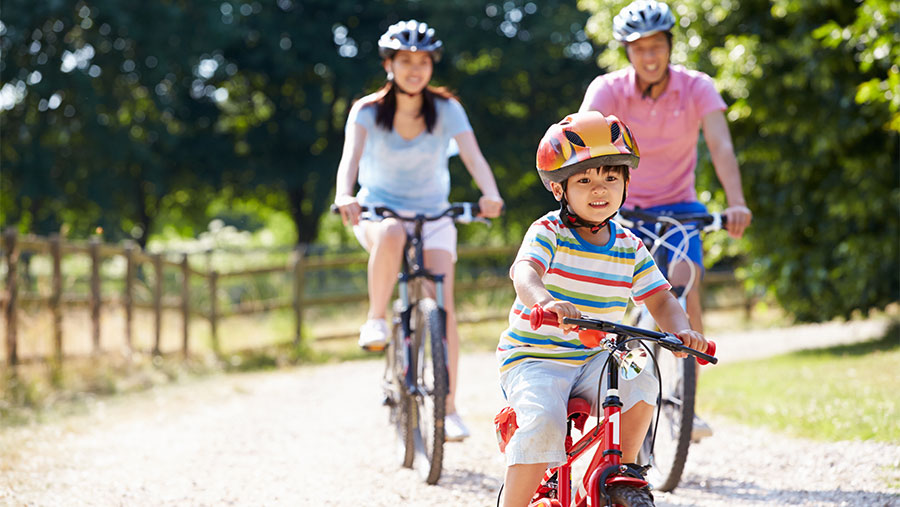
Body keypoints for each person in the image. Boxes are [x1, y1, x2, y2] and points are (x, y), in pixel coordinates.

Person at [497, 111, 708, 507]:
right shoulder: (548, 232)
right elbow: (524, 272)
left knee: (644, 382)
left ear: (626, 182)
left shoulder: (629, 244)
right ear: (560, 189)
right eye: (585, 180)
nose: (600, 189)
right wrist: (544, 300)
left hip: (597, 357)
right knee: (543, 423)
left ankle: (617, 471)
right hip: (536, 359)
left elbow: (660, 297)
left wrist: (682, 330)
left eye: (611, 178)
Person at [578, 0, 752, 439]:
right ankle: (624, 386)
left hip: (680, 207)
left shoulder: (696, 87)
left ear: (670, 46)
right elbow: (582, 140)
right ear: (627, 52)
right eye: (639, 49)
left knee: (683, 280)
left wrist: (736, 202)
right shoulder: (608, 89)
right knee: (621, 300)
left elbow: (721, 147)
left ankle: (684, 401)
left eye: (657, 46)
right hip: (624, 208)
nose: (650, 56)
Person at [334, 20, 504, 442]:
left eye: (423, 62)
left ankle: (448, 409)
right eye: (405, 61)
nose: (415, 69)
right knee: (391, 233)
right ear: (389, 64)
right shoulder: (368, 110)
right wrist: (344, 194)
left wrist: (490, 193)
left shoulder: (447, 109)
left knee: (441, 305)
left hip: (434, 215)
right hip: (379, 212)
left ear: (432, 66)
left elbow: (474, 157)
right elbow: (349, 160)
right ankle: (376, 320)